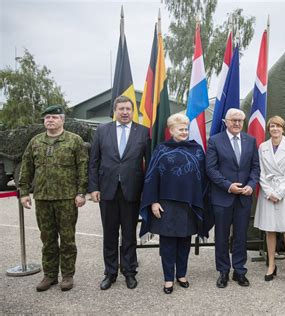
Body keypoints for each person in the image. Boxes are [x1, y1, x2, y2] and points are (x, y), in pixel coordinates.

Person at [18, 105, 88, 292]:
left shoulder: (74, 141)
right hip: (42, 198)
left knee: (67, 239)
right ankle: (50, 275)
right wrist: (24, 192)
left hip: (66, 198)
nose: (50, 120)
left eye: (54, 117)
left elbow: (83, 168)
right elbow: (26, 168)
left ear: (62, 120)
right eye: (47, 117)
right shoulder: (35, 142)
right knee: (47, 239)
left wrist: (81, 193)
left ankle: (67, 275)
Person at [139, 113, 210, 294]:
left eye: (186, 128)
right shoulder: (161, 149)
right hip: (166, 204)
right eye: (181, 129)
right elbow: (152, 176)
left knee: (185, 242)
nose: (184, 132)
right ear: (171, 130)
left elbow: (203, 178)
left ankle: (182, 275)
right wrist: (153, 201)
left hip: (189, 203)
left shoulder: (196, 150)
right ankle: (168, 278)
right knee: (168, 243)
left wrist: (199, 201)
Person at [88, 95, 150, 290]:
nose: (124, 112)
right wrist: (94, 187)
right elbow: (94, 162)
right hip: (107, 191)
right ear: (115, 111)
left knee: (130, 234)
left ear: (133, 112)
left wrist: (147, 193)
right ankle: (110, 272)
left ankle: (130, 272)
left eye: (128, 109)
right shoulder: (102, 130)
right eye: (121, 109)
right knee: (110, 234)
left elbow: (149, 165)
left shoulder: (143, 132)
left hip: (132, 191)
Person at [206, 108, 260, 288]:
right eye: (233, 120)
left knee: (240, 235)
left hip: (244, 198)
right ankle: (223, 271)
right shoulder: (215, 141)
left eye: (240, 120)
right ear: (225, 121)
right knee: (221, 236)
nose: (237, 123)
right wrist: (228, 186)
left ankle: (239, 270)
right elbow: (211, 169)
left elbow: (255, 167)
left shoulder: (251, 141)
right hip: (223, 196)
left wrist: (251, 185)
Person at [254, 116, 285, 285]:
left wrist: (279, 193)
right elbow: (261, 170)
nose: (275, 129)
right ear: (268, 129)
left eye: (278, 126)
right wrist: (268, 191)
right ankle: (271, 265)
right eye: (272, 126)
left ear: (283, 128)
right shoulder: (263, 147)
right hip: (268, 192)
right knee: (270, 230)